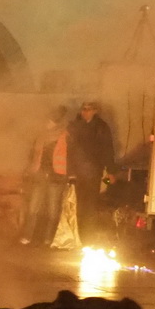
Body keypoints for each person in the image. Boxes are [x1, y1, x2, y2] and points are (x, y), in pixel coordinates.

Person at [65, 98, 115, 246]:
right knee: (78, 205)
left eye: (88, 109)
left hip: (94, 172)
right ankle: (78, 237)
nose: (85, 112)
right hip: (78, 173)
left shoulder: (101, 127)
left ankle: (88, 239)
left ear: (95, 111)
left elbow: (107, 149)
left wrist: (110, 171)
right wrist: (70, 171)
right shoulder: (74, 126)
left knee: (91, 206)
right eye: (83, 109)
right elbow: (69, 150)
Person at [20, 105, 70, 246]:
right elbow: (33, 155)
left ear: (56, 122)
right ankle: (27, 236)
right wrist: (29, 170)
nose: (46, 123)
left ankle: (49, 238)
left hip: (57, 177)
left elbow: (71, 156)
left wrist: (69, 175)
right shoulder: (41, 137)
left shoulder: (65, 137)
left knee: (53, 210)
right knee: (33, 207)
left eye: (49, 121)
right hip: (40, 176)